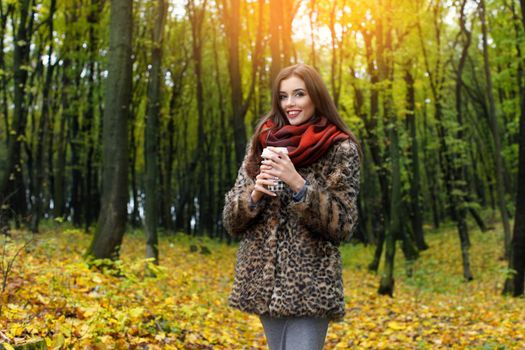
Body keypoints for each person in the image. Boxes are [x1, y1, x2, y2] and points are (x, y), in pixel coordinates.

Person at [222, 63, 362, 350]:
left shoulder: (340, 147)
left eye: (299, 94)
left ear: (315, 96)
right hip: (263, 279)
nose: (290, 104)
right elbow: (231, 220)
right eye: (284, 96)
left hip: (310, 283)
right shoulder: (263, 142)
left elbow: (343, 225)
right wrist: (255, 195)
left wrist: (298, 184)